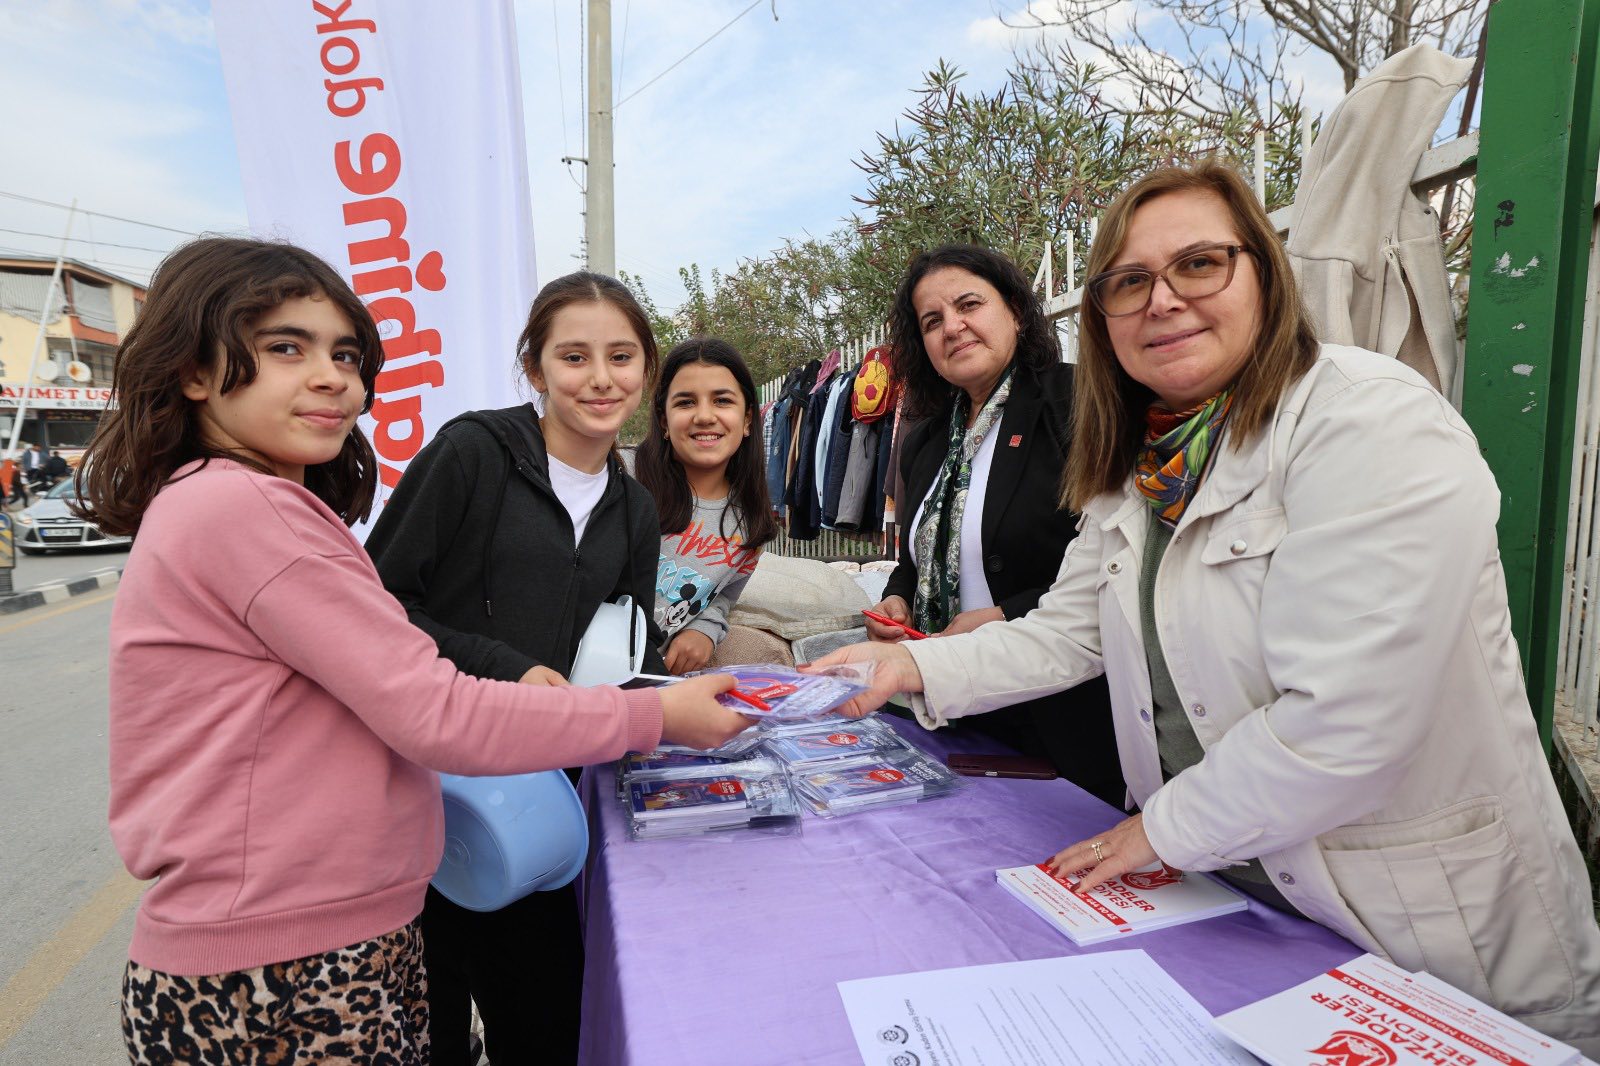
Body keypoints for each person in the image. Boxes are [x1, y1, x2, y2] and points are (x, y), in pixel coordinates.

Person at [813, 160, 1600, 1052]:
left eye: (1199, 264)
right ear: (1101, 318)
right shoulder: (1138, 469)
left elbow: (1347, 719)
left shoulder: (1369, 419)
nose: (1162, 300)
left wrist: (1161, 828)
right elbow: (1066, 634)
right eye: (1130, 282)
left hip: (1420, 934)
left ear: (1264, 273)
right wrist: (910, 664)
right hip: (1229, 901)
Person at [76, 239, 751, 1065]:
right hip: (294, 948)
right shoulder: (280, 501)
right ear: (533, 368)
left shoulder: (633, 506)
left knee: (533, 1015)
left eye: (345, 354)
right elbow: (420, 687)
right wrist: (621, 707)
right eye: (286, 347)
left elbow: (617, 631)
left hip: (505, 817)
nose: (331, 378)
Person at [366, 271, 671, 1066]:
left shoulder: (634, 508)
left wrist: (668, 713)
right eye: (574, 357)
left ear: (645, 368)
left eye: (621, 356)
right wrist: (501, 665)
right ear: (534, 369)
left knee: (541, 1030)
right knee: (417, 1038)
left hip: (540, 811)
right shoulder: (474, 453)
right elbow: (373, 601)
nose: (600, 379)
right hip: (424, 799)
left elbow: (633, 643)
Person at [865, 244, 1124, 806]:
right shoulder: (928, 440)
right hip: (953, 715)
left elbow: (1117, 560)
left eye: (968, 305)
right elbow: (914, 558)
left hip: (1063, 721)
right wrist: (897, 599)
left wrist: (1006, 614)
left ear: (1015, 311)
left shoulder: (1075, 402)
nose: (952, 328)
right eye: (932, 321)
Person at [634, 337, 777, 674]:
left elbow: (724, 595)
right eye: (685, 402)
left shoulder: (750, 523)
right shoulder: (624, 481)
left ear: (746, 420)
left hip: (661, 682)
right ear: (664, 421)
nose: (704, 416)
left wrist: (706, 628)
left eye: (722, 400)